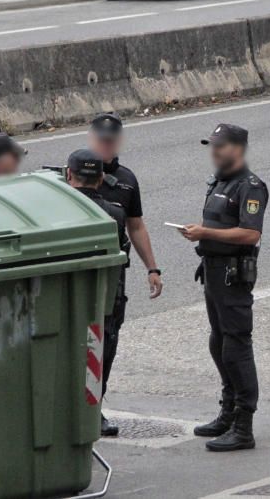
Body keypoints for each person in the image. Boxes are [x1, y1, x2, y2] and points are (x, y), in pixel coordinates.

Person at [179, 123, 267, 452]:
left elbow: (250, 234)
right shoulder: (220, 181)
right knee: (218, 343)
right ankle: (228, 411)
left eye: (221, 146)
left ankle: (244, 426)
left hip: (233, 276)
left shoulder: (251, 186)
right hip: (214, 272)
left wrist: (205, 233)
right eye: (212, 145)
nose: (214, 151)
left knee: (236, 347)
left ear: (238, 149)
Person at [87, 112, 164, 437]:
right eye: (100, 139)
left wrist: (152, 268)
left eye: (110, 140)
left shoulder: (127, 181)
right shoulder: (73, 174)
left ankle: (94, 409)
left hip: (112, 281)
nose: (105, 145)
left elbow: (136, 226)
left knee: (107, 345)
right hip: (78, 279)